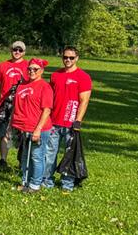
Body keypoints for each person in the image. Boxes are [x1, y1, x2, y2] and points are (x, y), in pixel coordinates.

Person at [43, 46, 93, 192]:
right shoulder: (55, 75)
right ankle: (47, 180)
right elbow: (50, 97)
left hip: (71, 122)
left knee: (70, 154)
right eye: (65, 57)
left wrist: (78, 121)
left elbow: (84, 100)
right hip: (54, 122)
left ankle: (67, 183)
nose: (68, 60)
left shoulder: (83, 77)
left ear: (77, 58)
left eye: (71, 58)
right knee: (50, 153)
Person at [12, 58, 54, 193]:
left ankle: (35, 185)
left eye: (35, 69)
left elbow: (47, 109)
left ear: (41, 71)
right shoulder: (22, 85)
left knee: (37, 156)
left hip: (39, 128)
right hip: (24, 127)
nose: (31, 71)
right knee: (25, 156)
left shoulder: (44, 87)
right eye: (29, 69)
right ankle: (25, 182)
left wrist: (38, 129)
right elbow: (17, 107)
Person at [0, 40, 29, 169]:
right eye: (15, 50)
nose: (17, 52)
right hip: (4, 104)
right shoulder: (3, 65)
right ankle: (3, 160)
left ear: (24, 52)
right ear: (11, 50)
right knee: (4, 133)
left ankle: (22, 161)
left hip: (22, 104)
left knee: (22, 134)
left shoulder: (28, 66)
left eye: (20, 50)